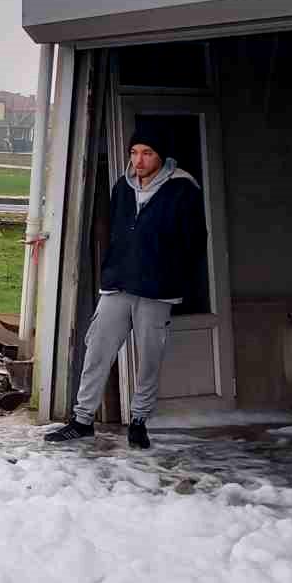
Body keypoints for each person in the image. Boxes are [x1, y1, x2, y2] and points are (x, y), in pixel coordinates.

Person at [46, 124, 206, 450]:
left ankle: (138, 422)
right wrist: (111, 268)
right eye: (134, 153)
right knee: (98, 349)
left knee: (149, 358)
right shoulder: (123, 186)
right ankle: (82, 420)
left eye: (147, 153)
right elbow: (117, 231)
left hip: (157, 288)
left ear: (161, 156)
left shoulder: (183, 188)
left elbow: (195, 242)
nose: (139, 160)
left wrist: (175, 276)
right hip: (118, 283)